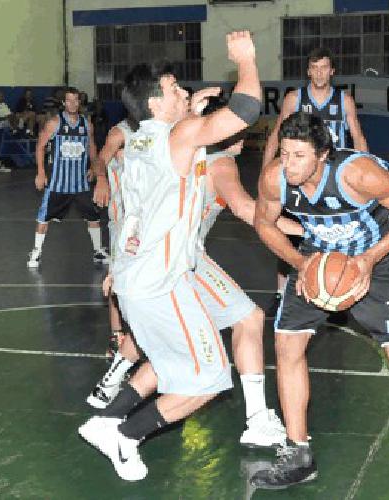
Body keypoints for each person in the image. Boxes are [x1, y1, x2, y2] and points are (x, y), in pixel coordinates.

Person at [76, 31, 263, 482]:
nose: (183, 92)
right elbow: (245, 110)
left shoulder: (137, 137)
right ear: (156, 104)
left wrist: (189, 111)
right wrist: (246, 60)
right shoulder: (177, 137)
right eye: (174, 89)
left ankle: (104, 418)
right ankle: (126, 434)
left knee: (166, 357)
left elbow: (173, 150)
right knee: (209, 376)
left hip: (137, 274)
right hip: (160, 281)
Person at [84, 95, 303, 450]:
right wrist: (311, 233)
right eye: (239, 131)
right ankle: (257, 419)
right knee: (246, 321)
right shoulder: (220, 165)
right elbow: (249, 210)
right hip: (183, 262)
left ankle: (111, 408)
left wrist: (119, 263)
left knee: (173, 348)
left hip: (149, 258)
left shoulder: (179, 148)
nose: (243, 138)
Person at [249, 112, 389, 489]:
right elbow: (264, 223)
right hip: (317, 259)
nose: (289, 164)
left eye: (299, 156)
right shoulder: (275, 178)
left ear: (323, 155)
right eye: (284, 154)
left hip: (373, 259)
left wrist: (367, 260)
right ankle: (298, 452)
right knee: (286, 345)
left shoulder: (358, 174)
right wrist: (301, 263)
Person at [260, 47, 369, 317]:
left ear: (332, 71)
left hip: (334, 179)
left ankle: (339, 288)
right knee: (287, 234)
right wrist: (266, 173)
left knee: (340, 235)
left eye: (324, 67)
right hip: (297, 176)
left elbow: (356, 135)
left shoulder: (344, 100)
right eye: (314, 67)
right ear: (308, 71)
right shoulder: (295, 98)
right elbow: (277, 133)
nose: (319, 72)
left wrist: (366, 169)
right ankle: (281, 292)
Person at [28, 87, 109, 268]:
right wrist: (41, 172)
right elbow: (40, 146)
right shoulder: (55, 123)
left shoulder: (86, 124)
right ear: (63, 103)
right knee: (43, 218)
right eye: (69, 100)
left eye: (76, 100)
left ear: (79, 102)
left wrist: (92, 167)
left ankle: (98, 251)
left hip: (81, 183)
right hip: (58, 183)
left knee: (93, 217)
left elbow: (92, 146)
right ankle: (36, 251)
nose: (73, 103)